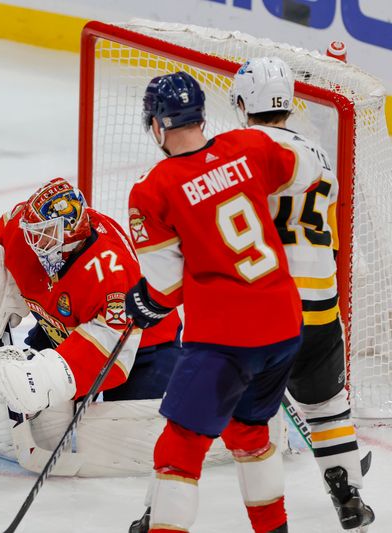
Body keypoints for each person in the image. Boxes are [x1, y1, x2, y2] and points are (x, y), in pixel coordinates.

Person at [124, 71, 320, 533]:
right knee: (248, 431)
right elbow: (308, 170)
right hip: (284, 326)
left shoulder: (153, 189)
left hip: (225, 340)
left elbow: (166, 290)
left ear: (157, 125)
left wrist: (142, 303)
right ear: (201, 115)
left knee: (178, 450)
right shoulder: (248, 146)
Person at [231, 56, 374, 530]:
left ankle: (158, 509)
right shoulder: (319, 156)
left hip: (266, 307)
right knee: (327, 406)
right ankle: (349, 495)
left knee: (206, 411)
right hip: (321, 306)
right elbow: (329, 238)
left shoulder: (239, 150)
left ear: (243, 102)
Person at [0, 177, 182, 416]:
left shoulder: (110, 272)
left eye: (45, 233)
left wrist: (52, 379)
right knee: (28, 402)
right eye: (34, 231)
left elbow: (108, 345)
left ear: (69, 234)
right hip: (65, 326)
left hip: (142, 345)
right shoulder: (29, 228)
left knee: (123, 428)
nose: (33, 240)